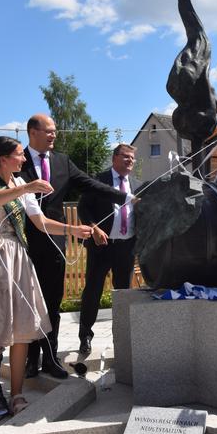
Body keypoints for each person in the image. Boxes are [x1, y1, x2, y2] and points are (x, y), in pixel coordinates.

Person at [0, 137, 93, 415]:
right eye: (18, 155)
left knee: (22, 330)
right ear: (3, 158)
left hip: (18, 258)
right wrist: (26, 186)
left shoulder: (20, 187)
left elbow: (41, 222)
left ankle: (16, 393)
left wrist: (72, 230)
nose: (24, 160)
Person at [20, 114, 133, 379]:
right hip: (24, 243)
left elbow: (91, 184)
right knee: (29, 304)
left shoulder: (62, 162)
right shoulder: (17, 160)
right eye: (49, 131)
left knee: (52, 302)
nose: (54, 135)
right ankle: (29, 359)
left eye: (55, 131)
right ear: (32, 132)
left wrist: (126, 197)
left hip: (55, 242)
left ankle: (50, 357)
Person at [76, 144, 147, 355]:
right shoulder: (99, 180)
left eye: (132, 158)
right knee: (93, 292)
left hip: (126, 247)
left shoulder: (137, 185)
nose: (130, 161)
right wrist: (93, 227)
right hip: (101, 247)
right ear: (114, 158)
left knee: (124, 293)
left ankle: (123, 338)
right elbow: (83, 207)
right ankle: (85, 336)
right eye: (125, 157)